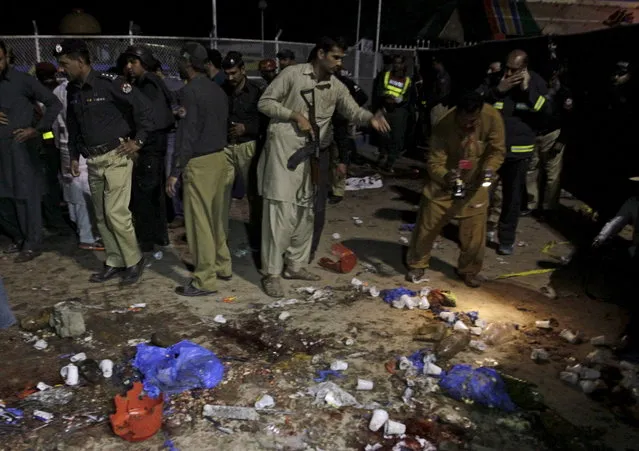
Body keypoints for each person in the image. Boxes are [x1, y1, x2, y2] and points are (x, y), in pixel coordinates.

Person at [256, 36, 390, 297]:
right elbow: (265, 103)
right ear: (320, 54)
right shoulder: (293, 74)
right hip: (284, 154)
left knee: (307, 212)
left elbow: (353, 111)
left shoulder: (335, 86)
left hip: (313, 157)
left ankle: (295, 265)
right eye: (336, 57)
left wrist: (370, 118)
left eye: (342, 58)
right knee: (280, 213)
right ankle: (271, 272)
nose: (340, 63)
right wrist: (294, 115)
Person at [55, 39, 152, 285]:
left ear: (80, 61)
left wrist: (138, 141)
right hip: (92, 160)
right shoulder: (72, 90)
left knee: (115, 213)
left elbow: (144, 109)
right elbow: (73, 124)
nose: (61, 69)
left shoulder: (110, 83)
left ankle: (134, 261)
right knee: (101, 216)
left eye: (65, 63)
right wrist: (75, 156)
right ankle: (115, 261)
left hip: (116, 156)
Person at [407, 91, 505, 287]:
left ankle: (469, 270)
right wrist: (446, 175)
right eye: (464, 122)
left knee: (475, 235)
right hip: (444, 185)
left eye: (473, 122)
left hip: (475, 184)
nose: (469, 126)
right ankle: (417, 263)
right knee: (426, 228)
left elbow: (497, 150)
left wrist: (489, 170)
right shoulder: (444, 125)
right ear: (457, 113)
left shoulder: (492, 118)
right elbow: (435, 161)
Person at [166, 42, 230, 297]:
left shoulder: (190, 91)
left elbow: (188, 134)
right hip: (220, 158)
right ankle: (223, 266)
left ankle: (205, 279)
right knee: (216, 219)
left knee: (199, 224)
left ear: (187, 62)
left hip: (200, 163)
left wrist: (175, 170)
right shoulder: (218, 90)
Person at [477, 49, 551, 255]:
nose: (509, 73)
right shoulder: (494, 80)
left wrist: (527, 90)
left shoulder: (536, 83)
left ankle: (506, 240)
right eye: (507, 68)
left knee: (512, 198)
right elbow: (475, 102)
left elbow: (546, 114)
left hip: (518, 154)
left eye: (514, 70)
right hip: (492, 150)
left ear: (525, 68)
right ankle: (475, 233)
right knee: (482, 192)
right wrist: (498, 90)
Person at [0, 41, 62, 263]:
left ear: (6, 57)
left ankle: (32, 243)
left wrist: (36, 130)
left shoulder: (22, 81)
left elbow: (54, 104)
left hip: (20, 149)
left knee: (25, 197)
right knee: (5, 199)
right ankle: (18, 237)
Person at [123, 45, 174, 254]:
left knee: (143, 193)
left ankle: (146, 239)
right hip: (155, 143)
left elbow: (152, 116)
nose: (129, 67)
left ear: (143, 63)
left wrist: (140, 141)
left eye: (133, 62)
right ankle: (158, 235)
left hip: (151, 144)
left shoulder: (148, 84)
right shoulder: (151, 81)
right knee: (153, 192)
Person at [52, 69, 103, 251]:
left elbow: (54, 122)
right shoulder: (78, 90)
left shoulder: (58, 91)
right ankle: (88, 236)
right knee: (84, 190)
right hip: (80, 146)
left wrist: (58, 143)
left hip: (65, 145)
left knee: (71, 186)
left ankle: (79, 226)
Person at [221, 51, 264, 251]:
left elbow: (265, 122)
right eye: (227, 73)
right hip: (227, 147)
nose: (230, 78)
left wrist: (246, 128)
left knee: (253, 194)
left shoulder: (256, 91)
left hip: (248, 147)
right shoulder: (222, 90)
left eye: (233, 73)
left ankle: (257, 237)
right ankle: (221, 237)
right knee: (222, 192)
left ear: (243, 70)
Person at [34, 62, 68, 233]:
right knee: (56, 182)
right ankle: (57, 219)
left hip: (54, 143)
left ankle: (58, 217)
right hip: (52, 143)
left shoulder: (46, 91)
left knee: (56, 181)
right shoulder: (54, 90)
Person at [373, 54, 416, 172]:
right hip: (385, 108)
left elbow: (409, 97)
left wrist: (400, 99)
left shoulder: (407, 80)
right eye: (395, 63)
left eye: (399, 63)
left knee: (396, 137)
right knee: (383, 135)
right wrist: (385, 98)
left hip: (399, 111)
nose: (397, 65)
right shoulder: (386, 75)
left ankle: (390, 162)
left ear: (403, 65)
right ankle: (381, 157)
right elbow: (379, 90)